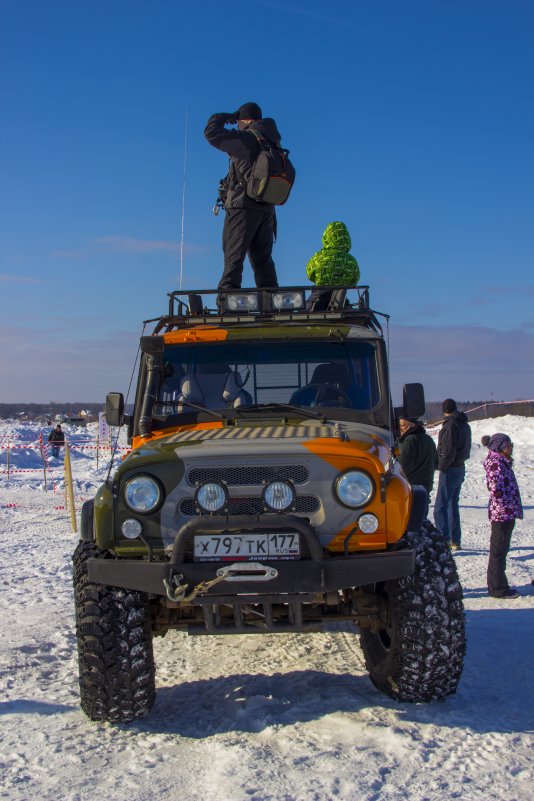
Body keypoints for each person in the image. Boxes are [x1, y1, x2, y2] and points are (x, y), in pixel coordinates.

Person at [204, 102, 281, 299]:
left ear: (244, 120)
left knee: (233, 258)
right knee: (263, 261)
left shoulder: (247, 138)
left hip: (242, 208)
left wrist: (226, 116)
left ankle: (227, 303)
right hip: (267, 211)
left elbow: (211, 133)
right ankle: (270, 305)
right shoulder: (272, 140)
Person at [482, 433, 523, 599]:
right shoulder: (496, 464)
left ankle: (499, 585)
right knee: (498, 551)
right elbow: (495, 488)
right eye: (507, 445)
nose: (510, 447)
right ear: (499, 447)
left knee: (501, 550)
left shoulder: (502, 462)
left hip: (506, 513)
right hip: (502, 514)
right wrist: (506, 503)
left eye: (511, 444)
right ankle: (497, 589)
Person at [433, 398, 471, 550]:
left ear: (444, 410)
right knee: (452, 504)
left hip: (450, 469)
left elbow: (448, 450)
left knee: (440, 508)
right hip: (460, 467)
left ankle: (444, 541)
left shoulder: (450, 426)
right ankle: (455, 540)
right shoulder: (464, 424)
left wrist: (440, 465)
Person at [305, 221, 360, 310]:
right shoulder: (351, 261)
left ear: (326, 237)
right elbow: (354, 280)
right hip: (341, 301)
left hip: (318, 298)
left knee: (306, 315)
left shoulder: (318, 258)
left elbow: (310, 274)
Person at [397, 416, 439, 517]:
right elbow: (437, 462)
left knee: (411, 525)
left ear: (412, 425)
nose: (401, 429)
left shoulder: (409, 440)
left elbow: (401, 467)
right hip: (425, 487)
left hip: (411, 489)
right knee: (421, 522)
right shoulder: (428, 439)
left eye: (403, 425)